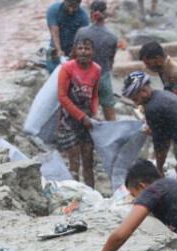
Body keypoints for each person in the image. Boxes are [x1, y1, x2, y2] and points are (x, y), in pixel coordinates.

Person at [57, 37, 100, 188]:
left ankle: (91, 193)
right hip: (69, 121)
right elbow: (62, 97)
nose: (83, 52)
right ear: (75, 50)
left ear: (92, 51)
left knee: (88, 161)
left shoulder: (97, 69)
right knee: (74, 162)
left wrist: (94, 113)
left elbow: (94, 95)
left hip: (87, 122)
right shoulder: (67, 68)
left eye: (87, 49)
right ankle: (76, 194)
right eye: (80, 48)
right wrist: (81, 117)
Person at [73, 0, 117, 121]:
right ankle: (113, 135)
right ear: (105, 14)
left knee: (85, 111)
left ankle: (87, 137)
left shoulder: (81, 33)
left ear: (91, 13)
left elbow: (74, 55)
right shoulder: (112, 37)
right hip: (103, 76)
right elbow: (111, 61)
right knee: (109, 111)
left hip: (85, 77)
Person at [139, 40, 177, 110]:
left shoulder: (175, 74)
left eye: (148, 63)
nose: (146, 67)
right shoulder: (163, 67)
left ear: (158, 59)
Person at [46, 0, 89, 73]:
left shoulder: (83, 16)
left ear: (79, 4)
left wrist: (74, 53)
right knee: (55, 72)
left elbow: (83, 38)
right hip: (56, 47)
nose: (71, 10)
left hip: (73, 48)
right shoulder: (53, 10)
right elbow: (54, 32)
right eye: (69, 6)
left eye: (74, 7)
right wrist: (58, 50)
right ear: (64, 2)